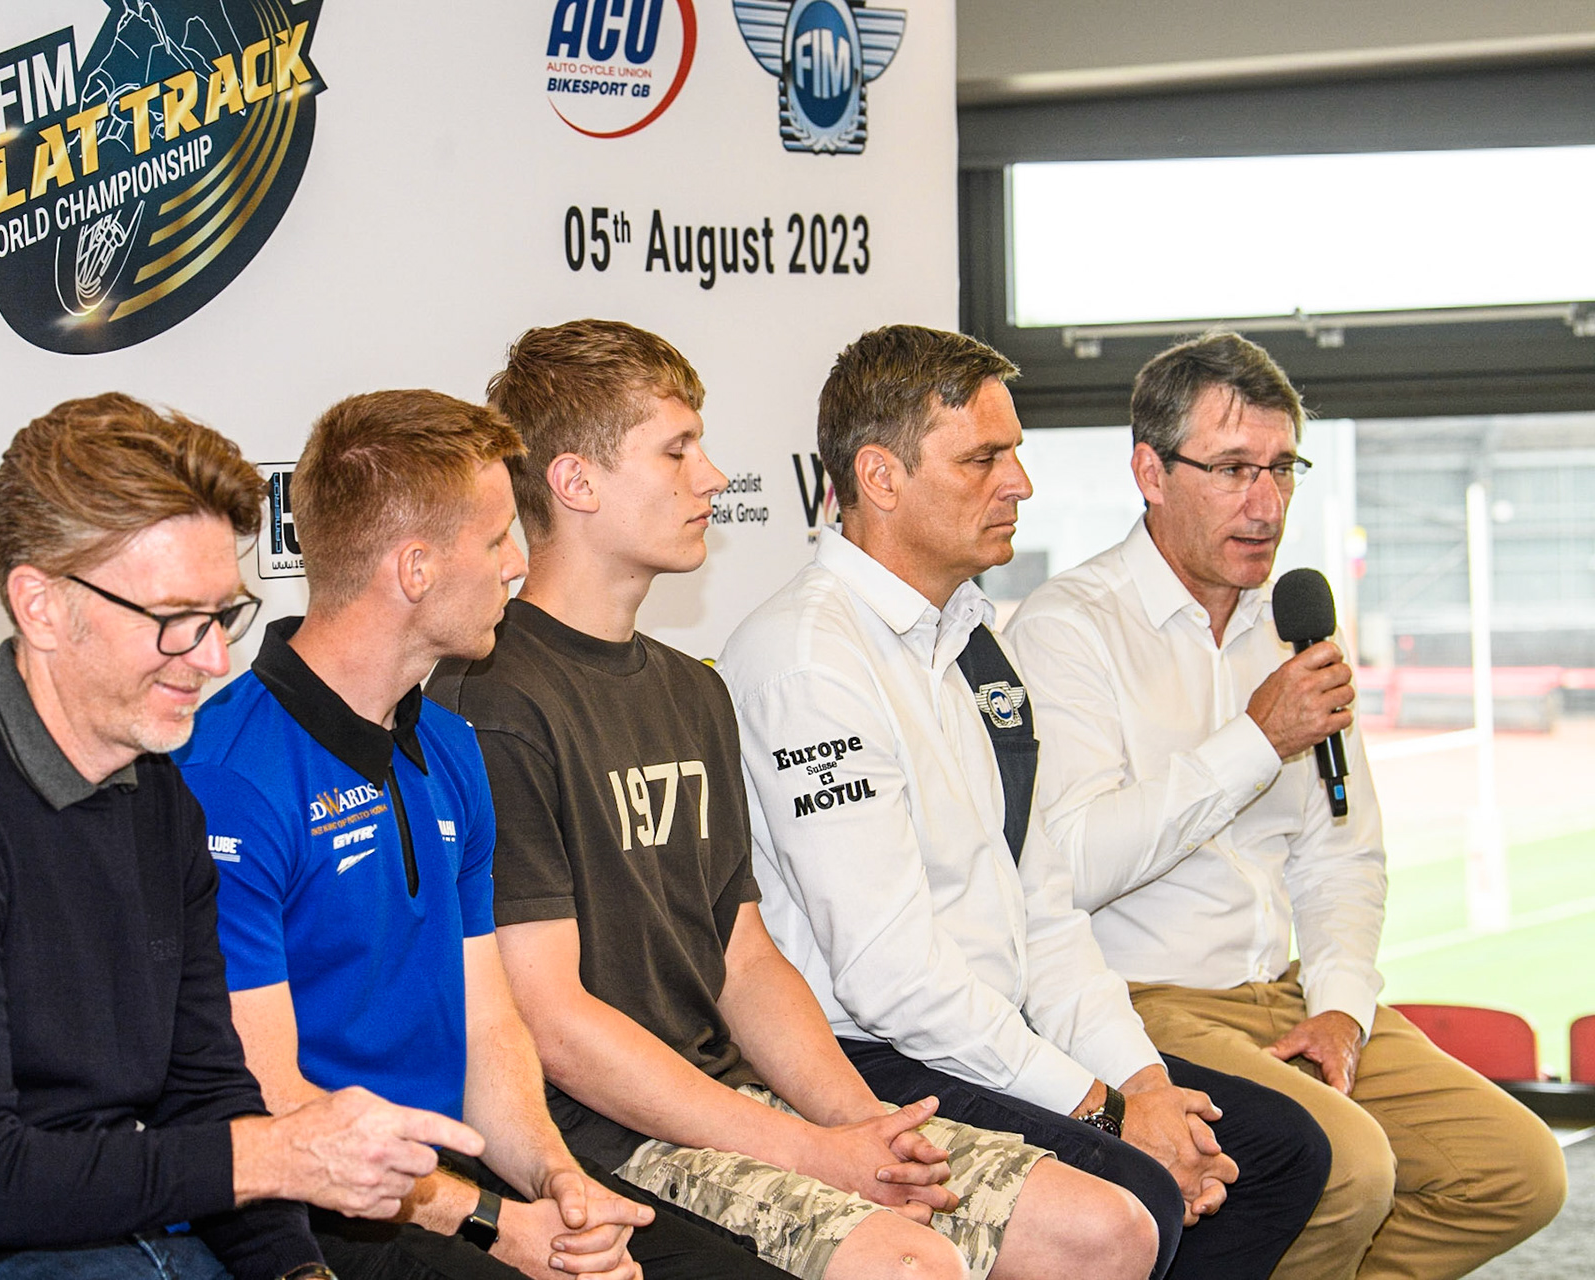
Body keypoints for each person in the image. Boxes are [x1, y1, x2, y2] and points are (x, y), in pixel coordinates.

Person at [430, 319, 1162, 1280]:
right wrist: (816, 1152)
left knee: (1110, 1229)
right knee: (909, 1265)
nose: (713, 479)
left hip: (733, 1099)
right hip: (603, 1138)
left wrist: (862, 1127)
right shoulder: (492, 700)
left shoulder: (692, 690)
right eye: (677, 449)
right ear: (576, 483)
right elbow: (554, 1024)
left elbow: (746, 957)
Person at [0, 393, 485, 1280]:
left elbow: (205, 1093)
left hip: (140, 1246)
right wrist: (281, 1156)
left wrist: (298, 1273)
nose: (213, 658)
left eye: (223, 616)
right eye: (174, 620)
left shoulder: (161, 800)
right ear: (39, 606)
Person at [718, 325, 1335, 1280]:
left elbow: (1044, 905)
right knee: (1141, 1194)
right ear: (879, 478)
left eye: (1016, 453)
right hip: (875, 1057)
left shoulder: (974, 639)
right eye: (983, 459)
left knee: (1285, 1153)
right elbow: (894, 980)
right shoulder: (810, 658)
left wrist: (1143, 1082)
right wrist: (1103, 1107)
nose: (1021, 483)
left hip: (990, 1029)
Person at [176, 388, 781, 1280]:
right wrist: (494, 1221)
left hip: (456, 1181)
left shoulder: (450, 745)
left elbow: (488, 1026)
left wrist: (558, 1184)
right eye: (498, 536)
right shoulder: (231, 775)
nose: (517, 563)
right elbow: (272, 1105)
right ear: (414, 569)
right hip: (315, 1207)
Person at [1004, 331, 1567, 1280]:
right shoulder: (1069, 627)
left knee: (1519, 1173)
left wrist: (1343, 1007)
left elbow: (1344, 853)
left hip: (1292, 990)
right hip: (1149, 997)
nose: (1265, 505)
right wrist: (1254, 742)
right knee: (1351, 1170)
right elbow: (1070, 865)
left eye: (1281, 469)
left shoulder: (1293, 624)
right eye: (1231, 469)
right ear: (1150, 469)